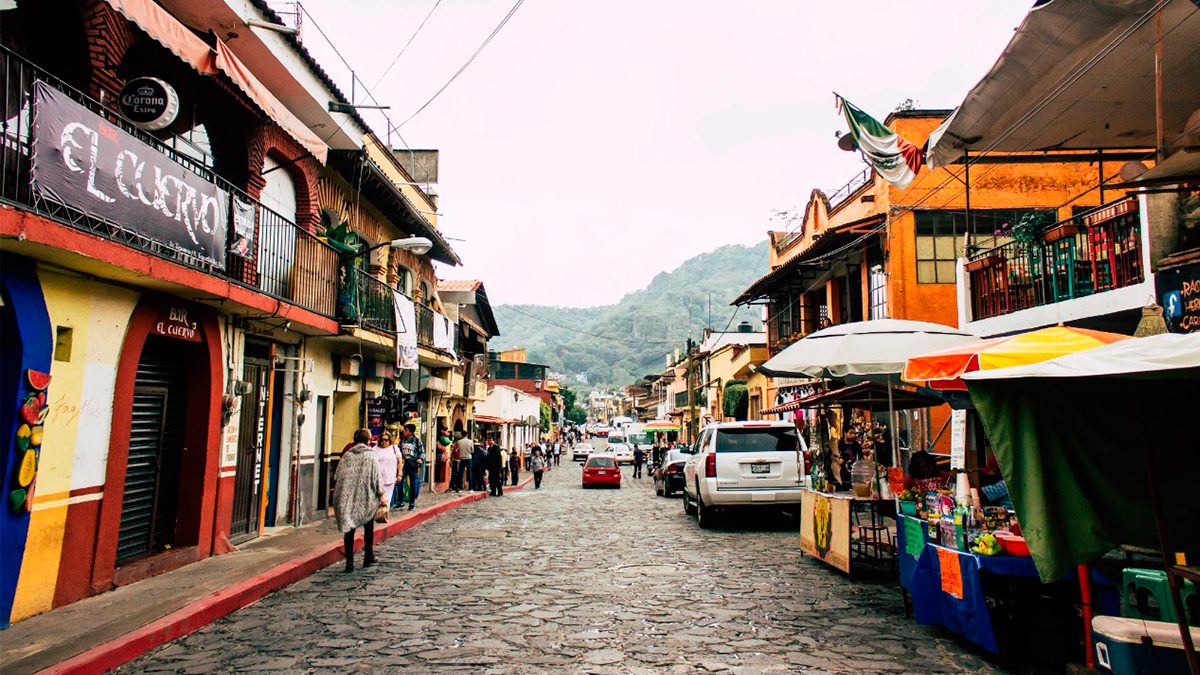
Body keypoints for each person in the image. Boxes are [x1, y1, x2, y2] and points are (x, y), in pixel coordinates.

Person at [333, 429, 384, 572]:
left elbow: (337, 476)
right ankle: (368, 556)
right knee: (368, 528)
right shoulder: (371, 456)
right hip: (366, 497)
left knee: (349, 530)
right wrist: (381, 495)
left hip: (347, 497)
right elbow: (377, 478)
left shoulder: (347, 456)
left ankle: (349, 563)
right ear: (368, 440)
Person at [373, 431, 400, 510]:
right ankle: (377, 513)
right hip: (377, 479)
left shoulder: (394, 449)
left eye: (386, 440)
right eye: (382, 440)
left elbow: (400, 461)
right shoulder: (374, 449)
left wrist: (399, 474)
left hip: (390, 478)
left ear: (390, 440)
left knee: (387, 500)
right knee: (377, 500)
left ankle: (384, 514)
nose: (384, 442)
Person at [399, 423, 424, 511]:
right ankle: (400, 501)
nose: (404, 432)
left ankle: (411, 503)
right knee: (400, 482)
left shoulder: (417, 441)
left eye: (405, 430)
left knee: (413, 484)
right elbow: (399, 450)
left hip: (413, 465)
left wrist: (420, 459)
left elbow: (422, 452)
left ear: (410, 432)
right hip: (404, 465)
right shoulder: (402, 440)